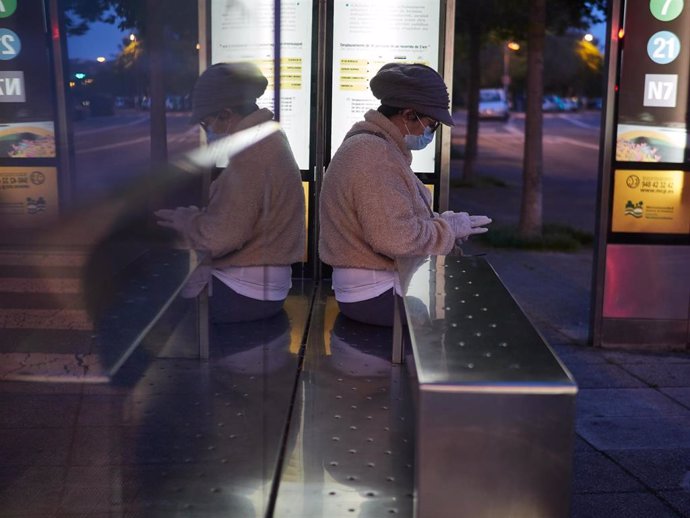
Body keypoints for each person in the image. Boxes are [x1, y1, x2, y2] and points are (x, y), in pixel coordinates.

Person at [319, 62, 491, 326]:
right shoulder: (374, 154)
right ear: (409, 114)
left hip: (374, 292)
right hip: (376, 295)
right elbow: (396, 238)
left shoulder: (376, 147)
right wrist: (447, 229)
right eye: (431, 125)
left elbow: (391, 221)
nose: (429, 133)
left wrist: (440, 222)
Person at [155, 62, 305, 323]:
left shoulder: (253, 152)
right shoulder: (267, 138)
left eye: (206, 122)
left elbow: (220, 237)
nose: (207, 130)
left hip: (244, 291)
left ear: (226, 114)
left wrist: (186, 222)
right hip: (261, 287)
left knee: (154, 305)